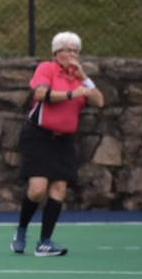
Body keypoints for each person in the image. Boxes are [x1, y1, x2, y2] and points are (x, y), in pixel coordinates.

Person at [10, 31, 105, 256]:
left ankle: (45, 242)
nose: (72, 55)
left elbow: (99, 101)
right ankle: (21, 230)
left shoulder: (79, 78)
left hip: (64, 141)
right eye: (67, 50)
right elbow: (41, 93)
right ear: (56, 53)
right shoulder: (46, 68)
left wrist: (83, 77)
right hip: (39, 136)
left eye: (76, 51)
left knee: (59, 188)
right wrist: (72, 94)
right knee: (37, 190)